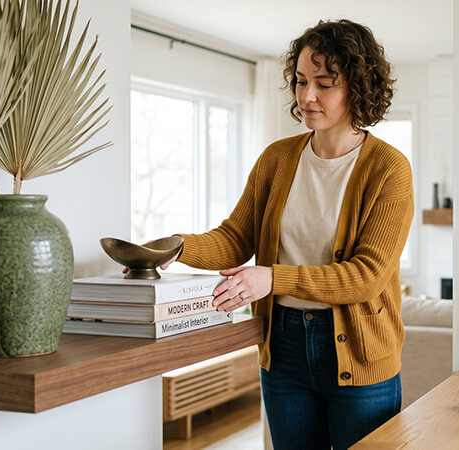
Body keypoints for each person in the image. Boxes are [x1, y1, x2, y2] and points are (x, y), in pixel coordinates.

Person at [159, 19, 413, 449]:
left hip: (361, 354)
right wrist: (178, 247)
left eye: (324, 83)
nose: (306, 95)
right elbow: (236, 238)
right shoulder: (277, 160)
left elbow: (366, 275)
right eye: (299, 81)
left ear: (358, 86)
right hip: (284, 348)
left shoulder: (389, 169)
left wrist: (273, 278)